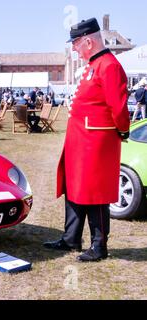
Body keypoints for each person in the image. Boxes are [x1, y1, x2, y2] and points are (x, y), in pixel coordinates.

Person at [44, 18, 130, 262]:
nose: (74, 48)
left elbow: (118, 106)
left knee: (96, 193)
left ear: (89, 42)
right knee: (74, 187)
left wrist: (122, 130)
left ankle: (99, 245)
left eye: (76, 43)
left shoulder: (109, 66)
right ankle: (71, 237)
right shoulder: (94, 65)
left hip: (96, 141)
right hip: (80, 140)